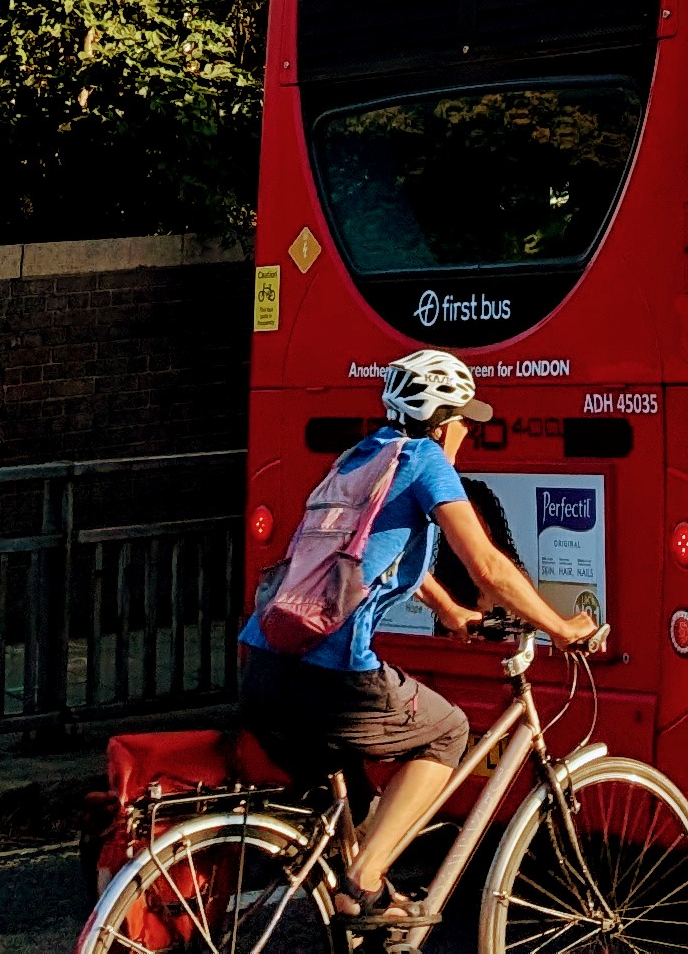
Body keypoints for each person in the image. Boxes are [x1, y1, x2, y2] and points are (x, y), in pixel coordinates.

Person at [239, 346, 602, 934]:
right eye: (464, 420)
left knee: (355, 819)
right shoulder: (427, 460)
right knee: (448, 732)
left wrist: (453, 612)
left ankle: (362, 902)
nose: (467, 433)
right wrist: (562, 628)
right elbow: (487, 564)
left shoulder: (359, 457)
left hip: (264, 666)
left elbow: (374, 554)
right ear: (441, 420)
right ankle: (364, 885)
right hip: (331, 677)